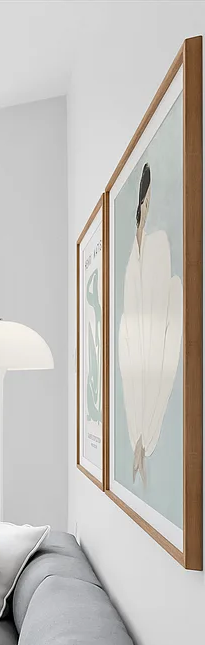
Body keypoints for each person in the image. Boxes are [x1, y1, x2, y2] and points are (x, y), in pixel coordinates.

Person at [117, 162, 181, 486]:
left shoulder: (156, 247)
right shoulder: (133, 260)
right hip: (139, 344)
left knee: (156, 371)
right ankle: (141, 442)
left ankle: (144, 442)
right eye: (147, 199)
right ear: (142, 203)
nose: (149, 205)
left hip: (151, 342)